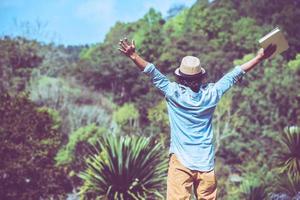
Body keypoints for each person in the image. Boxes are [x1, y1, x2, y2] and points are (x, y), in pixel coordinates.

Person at [118, 38, 276, 200]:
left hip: (181, 162)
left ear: (181, 78)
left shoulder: (174, 93)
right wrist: (259, 58)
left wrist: (133, 55)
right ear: (201, 77)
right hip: (206, 163)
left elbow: (152, 72)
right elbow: (235, 75)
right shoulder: (212, 93)